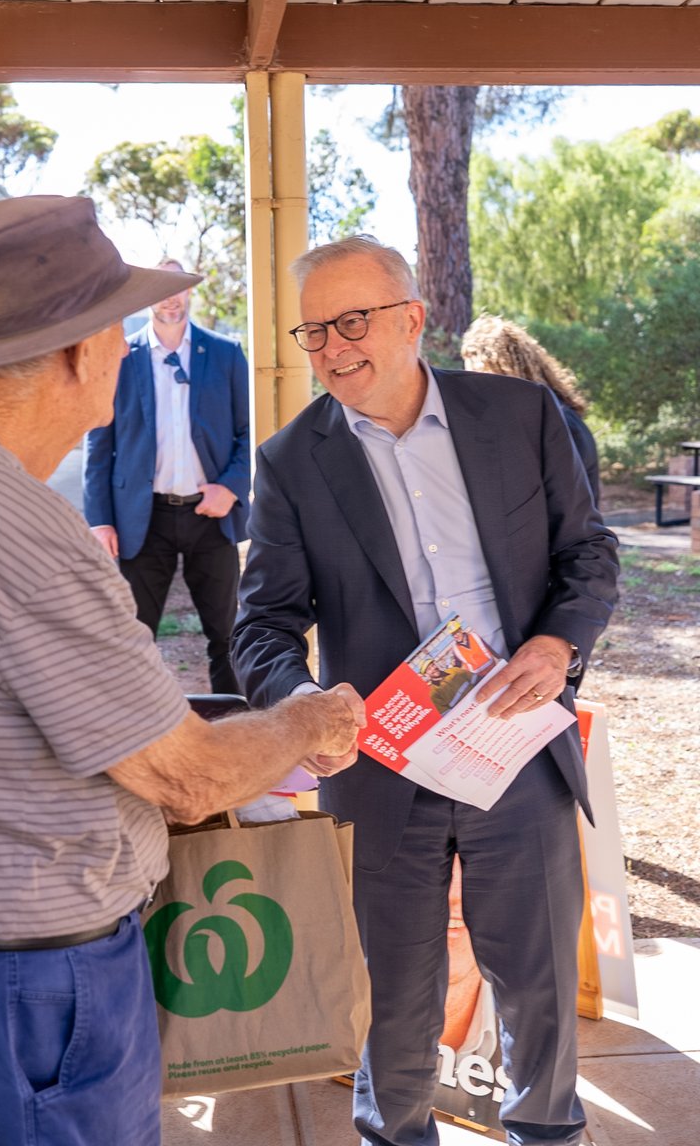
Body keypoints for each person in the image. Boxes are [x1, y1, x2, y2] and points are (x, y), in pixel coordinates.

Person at [0, 195, 363, 1146]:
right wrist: (310, 720)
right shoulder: (18, 529)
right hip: (19, 993)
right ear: (74, 352)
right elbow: (189, 777)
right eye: (114, 323)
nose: (127, 340)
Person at [231, 235, 619, 1146]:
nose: (332, 347)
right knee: (394, 1000)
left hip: (514, 750)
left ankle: (547, 1135)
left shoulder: (519, 416)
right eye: (314, 330)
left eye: (353, 321)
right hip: (379, 765)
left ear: (411, 318)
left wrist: (560, 642)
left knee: (539, 988)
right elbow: (263, 624)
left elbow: (589, 553)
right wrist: (305, 707)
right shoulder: (292, 461)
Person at [83, 258, 250, 694]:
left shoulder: (225, 354)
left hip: (209, 515)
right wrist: (100, 519)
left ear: (190, 291)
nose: (170, 297)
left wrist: (230, 488)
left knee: (227, 634)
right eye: (161, 288)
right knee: (134, 637)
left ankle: (232, 723)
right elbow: (99, 442)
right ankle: (139, 733)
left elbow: (247, 431)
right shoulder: (123, 356)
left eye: (178, 287)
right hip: (143, 517)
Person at [461, 315, 601, 505]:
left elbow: (567, 511)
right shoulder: (539, 419)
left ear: (502, 369)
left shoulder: (559, 422)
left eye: (478, 375)